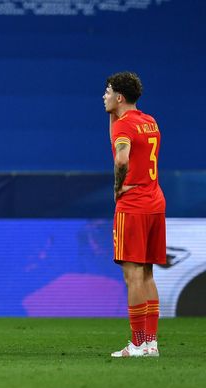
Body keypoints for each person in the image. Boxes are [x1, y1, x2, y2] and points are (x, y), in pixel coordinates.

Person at [103, 72, 164, 358]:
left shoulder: (124, 126)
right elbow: (119, 138)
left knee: (133, 276)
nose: (103, 96)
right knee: (148, 273)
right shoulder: (148, 121)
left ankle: (137, 343)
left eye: (108, 91)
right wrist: (112, 114)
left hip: (133, 202)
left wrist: (117, 187)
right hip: (155, 201)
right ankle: (150, 343)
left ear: (120, 97)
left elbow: (121, 157)